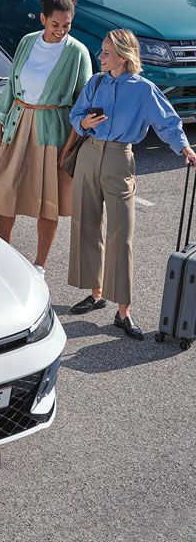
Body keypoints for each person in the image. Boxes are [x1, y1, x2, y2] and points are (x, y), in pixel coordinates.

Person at [68, 29, 196, 340]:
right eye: (101, 51)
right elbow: (76, 114)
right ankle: (96, 292)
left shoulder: (144, 89)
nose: (100, 57)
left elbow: (168, 121)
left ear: (124, 57)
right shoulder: (96, 81)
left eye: (106, 53)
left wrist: (185, 148)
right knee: (85, 224)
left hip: (118, 158)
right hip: (89, 153)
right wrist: (84, 122)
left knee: (121, 233)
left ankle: (123, 309)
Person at [0, 0, 92, 271]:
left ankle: (39, 266)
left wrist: (70, 145)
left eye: (67, 25)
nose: (61, 30)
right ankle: (3, 257)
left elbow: (82, 101)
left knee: (48, 201)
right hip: (17, 125)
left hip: (52, 131)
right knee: (4, 193)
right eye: (55, 23)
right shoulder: (27, 42)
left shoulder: (77, 52)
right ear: (42, 18)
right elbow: (11, 85)